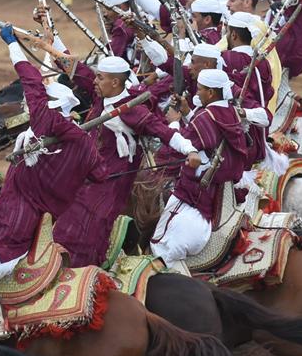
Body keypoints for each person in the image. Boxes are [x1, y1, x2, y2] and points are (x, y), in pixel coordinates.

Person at [0, 25, 107, 339]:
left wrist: (13, 45)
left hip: (15, 213)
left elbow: (31, 82)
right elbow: (100, 175)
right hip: (46, 213)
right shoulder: (84, 145)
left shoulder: (45, 122)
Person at [50, 50, 197, 268]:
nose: (94, 81)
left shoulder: (133, 111)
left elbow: (164, 132)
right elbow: (76, 70)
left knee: (79, 232)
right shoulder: (103, 95)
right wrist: (48, 42)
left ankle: (83, 274)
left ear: (115, 82)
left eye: (100, 77)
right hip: (86, 178)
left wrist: (190, 150)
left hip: (109, 187)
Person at [153, 69, 247, 275]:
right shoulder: (229, 112)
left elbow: (178, 148)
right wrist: (187, 114)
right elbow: (208, 137)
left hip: (196, 193)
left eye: (201, 89)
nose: (198, 92)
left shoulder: (205, 117)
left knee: (161, 246)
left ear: (211, 93)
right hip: (222, 188)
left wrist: (174, 122)